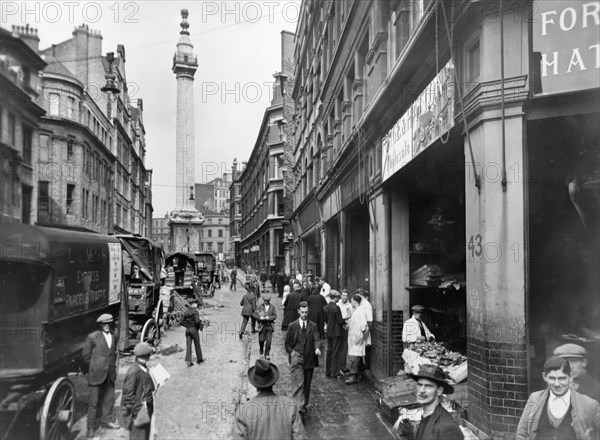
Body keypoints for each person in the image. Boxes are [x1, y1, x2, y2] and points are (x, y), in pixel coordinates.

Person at [516, 356, 600, 440]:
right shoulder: (534, 399)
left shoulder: (589, 404)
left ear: (570, 377)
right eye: (552, 378)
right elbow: (522, 433)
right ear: (544, 377)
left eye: (562, 378)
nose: (557, 384)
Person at [234, 359, 305, 439]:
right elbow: (300, 437)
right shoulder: (290, 406)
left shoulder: (243, 411)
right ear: (274, 382)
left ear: (254, 385)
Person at [399, 364, 463, 440]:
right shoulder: (426, 417)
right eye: (420, 385)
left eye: (428, 386)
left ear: (439, 391)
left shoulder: (447, 428)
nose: (422, 390)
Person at [82, 313, 120, 438]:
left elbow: (114, 353)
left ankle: (107, 421)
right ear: (100, 325)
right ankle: (90, 428)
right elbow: (86, 356)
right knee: (93, 402)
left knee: (109, 399)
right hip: (97, 374)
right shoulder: (93, 337)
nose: (107, 325)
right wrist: (94, 367)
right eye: (104, 324)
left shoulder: (114, 335)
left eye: (109, 323)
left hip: (110, 373)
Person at [284, 301, 322, 414]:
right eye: (302, 312)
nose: (304, 314)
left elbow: (317, 339)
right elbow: (287, 344)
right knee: (298, 382)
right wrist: (292, 353)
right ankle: (298, 406)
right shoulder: (292, 326)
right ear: (298, 312)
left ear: (308, 312)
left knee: (307, 383)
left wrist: (317, 348)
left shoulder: (313, 325)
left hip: (309, 357)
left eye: (306, 312)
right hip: (297, 357)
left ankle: (303, 403)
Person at [121, 342, 155, 440]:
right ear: (147, 356)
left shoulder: (143, 368)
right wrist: (140, 411)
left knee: (145, 435)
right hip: (138, 415)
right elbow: (128, 397)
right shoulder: (133, 372)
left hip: (146, 411)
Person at [344, 295, 368, 385]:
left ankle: (354, 375)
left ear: (355, 302)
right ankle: (359, 373)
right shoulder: (357, 311)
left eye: (352, 300)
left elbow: (363, 325)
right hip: (354, 336)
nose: (351, 302)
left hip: (357, 337)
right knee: (357, 355)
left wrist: (362, 335)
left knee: (355, 356)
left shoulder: (360, 311)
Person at [323, 290, 345, 378]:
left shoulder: (326, 307)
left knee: (329, 352)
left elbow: (325, 319)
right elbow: (340, 320)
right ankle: (334, 372)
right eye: (337, 298)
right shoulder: (336, 307)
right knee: (336, 352)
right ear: (335, 298)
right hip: (337, 332)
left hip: (329, 331)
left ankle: (328, 371)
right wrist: (345, 319)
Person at [253, 294, 277, 359]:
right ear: (263, 300)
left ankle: (267, 354)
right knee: (261, 340)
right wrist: (259, 318)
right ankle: (261, 350)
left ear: (269, 300)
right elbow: (254, 314)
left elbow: (275, 316)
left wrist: (268, 317)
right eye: (265, 301)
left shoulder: (272, 307)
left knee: (269, 341)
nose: (266, 302)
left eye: (267, 301)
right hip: (262, 326)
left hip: (269, 326)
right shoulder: (260, 307)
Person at [357, 289, 373, 370]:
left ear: (361, 295)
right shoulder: (361, 304)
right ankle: (362, 366)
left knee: (366, 348)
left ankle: (366, 366)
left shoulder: (366, 304)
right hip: (360, 329)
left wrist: (367, 332)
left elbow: (370, 320)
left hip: (365, 329)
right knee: (361, 348)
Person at [339, 289, 353, 374]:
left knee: (344, 348)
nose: (344, 297)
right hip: (338, 327)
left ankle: (343, 365)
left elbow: (351, 317)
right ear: (341, 296)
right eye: (343, 295)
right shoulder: (338, 304)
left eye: (346, 296)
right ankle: (337, 365)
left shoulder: (350, 306)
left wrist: (347, 325)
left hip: (346, 328)